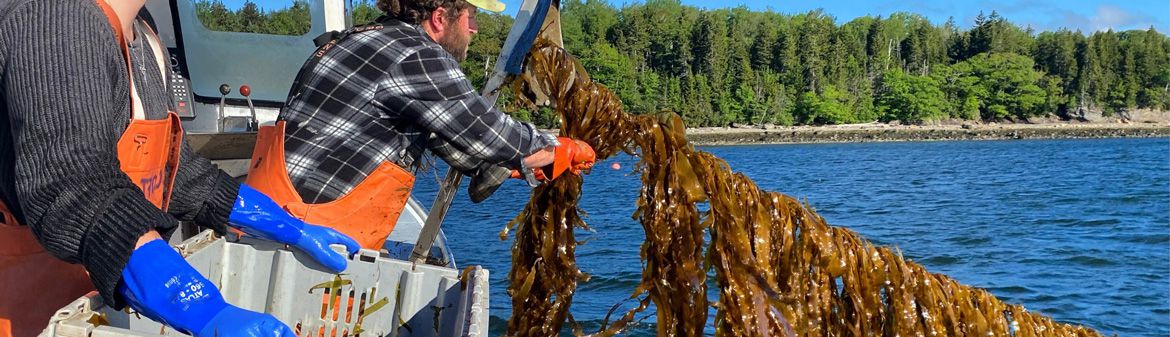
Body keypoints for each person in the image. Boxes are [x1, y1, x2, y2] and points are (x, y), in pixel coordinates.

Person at [0, 1, 362, 336]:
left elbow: (177, 173)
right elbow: (76, 185)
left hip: (105, 298)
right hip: (33, 307)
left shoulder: (143, 31)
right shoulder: (56, 18)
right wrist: (200, 307)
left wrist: (283, 224)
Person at [245, 0, 596, 249]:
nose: (475, 28)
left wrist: (507, 167)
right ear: (441, 17)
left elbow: (439, 134)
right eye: (471, 16)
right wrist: (558, 149)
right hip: (308, 229)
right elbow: (486, 130)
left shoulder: (357, 39)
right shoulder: (417, 55)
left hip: (266, 217)